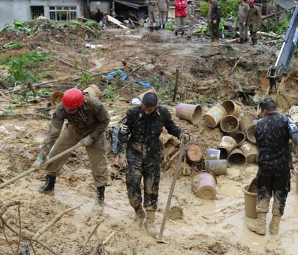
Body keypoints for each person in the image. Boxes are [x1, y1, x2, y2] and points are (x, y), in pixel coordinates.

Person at [118, 92, 189, 235]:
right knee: (132, 186)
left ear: (155, 106)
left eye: (150, 109)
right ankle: (138, 212)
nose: (147, 111)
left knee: (152, 188)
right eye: (145, 108)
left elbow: (172, 127)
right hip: (134, 154)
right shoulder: (132, 112)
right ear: (142, 104)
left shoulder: (162, 113)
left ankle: (150, 220)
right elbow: (123, 133)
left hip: (152, 156)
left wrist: (182, 134)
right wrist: (121, 154)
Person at [33, 88, 110, 205]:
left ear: (79, 105)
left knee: (98, 163)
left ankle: (100, 195)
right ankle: (49, 185)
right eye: (67, 109)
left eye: (72, 109)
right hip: (74, 130)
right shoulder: (61, 108)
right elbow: (53, 134)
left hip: (95, 132)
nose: (68, 111)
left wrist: (92, 137)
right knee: (56, 154)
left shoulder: (95, 104)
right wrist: (41, 156)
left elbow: (105, 121)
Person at [247, 98, 298, 236]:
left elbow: (261, 144)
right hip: (282, 166)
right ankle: (274, 227)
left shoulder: (259, 125)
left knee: (263, 191)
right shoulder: (286, 120)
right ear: (276, 108)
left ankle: (260, 225)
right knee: (280, 193)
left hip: (265, 166)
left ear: (265, 111)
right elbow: (297, 138)